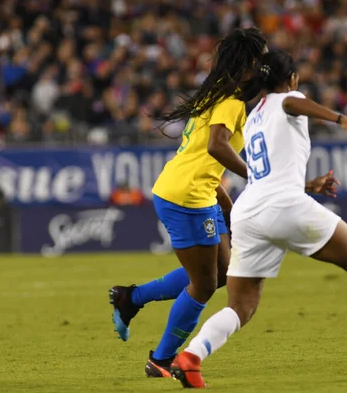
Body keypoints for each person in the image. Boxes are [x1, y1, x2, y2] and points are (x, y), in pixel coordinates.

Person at [168, 50, 347, 389]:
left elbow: (265, 173)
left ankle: (191, 357)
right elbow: (294, 104)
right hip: (282, 206)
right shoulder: (287, 99)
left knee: (241, 305)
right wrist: (344, 121)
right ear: (292, 79)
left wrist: (309, 185)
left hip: (249, 210)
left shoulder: (255, 114)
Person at [108, 28, 268, 377]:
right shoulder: (231, 101)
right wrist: (255, 176)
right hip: (186, 196)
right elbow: (216, 146)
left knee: (221, 272)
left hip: (197, 191)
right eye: (261, 60)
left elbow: (203, 159)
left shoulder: (217, 94)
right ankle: (161, 359)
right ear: (248, 64)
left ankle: (130, 299)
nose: (265, 67)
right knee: (205, 283)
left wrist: (224, 201)